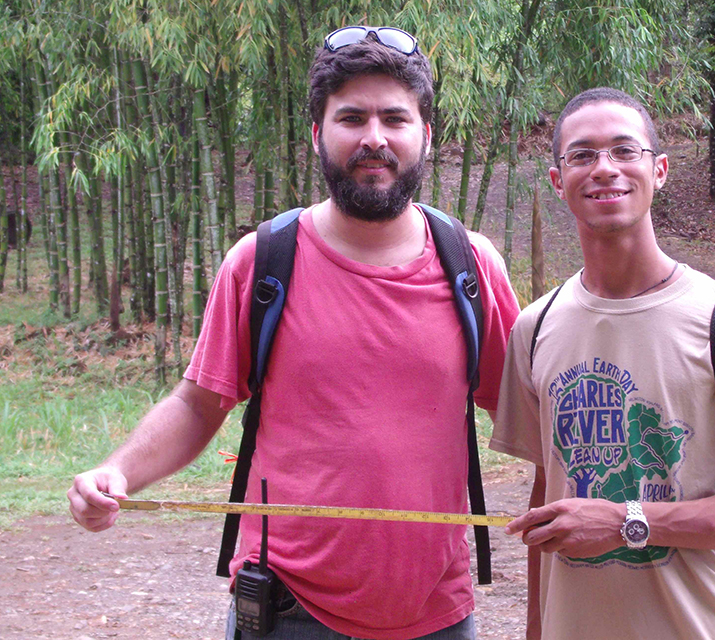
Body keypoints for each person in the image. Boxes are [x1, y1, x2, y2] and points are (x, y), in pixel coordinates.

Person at [68, 26, 520, 640]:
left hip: (435, 613)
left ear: (426, 136)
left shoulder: (471, 266)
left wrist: (635, 505)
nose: (374, 138)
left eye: (395, 117)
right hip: (286, 611)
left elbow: (529, 416)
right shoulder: (261, 263)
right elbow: (198, 405)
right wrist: (116, 473)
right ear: (317, 134)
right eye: (351, 117)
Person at [490, 87, 715, 639]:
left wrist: (627, 522)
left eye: (625, 151)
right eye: (582, 155)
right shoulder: (535, 328)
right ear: (557, 180)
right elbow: (548, 492)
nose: (604, 169)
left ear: (659, 170)